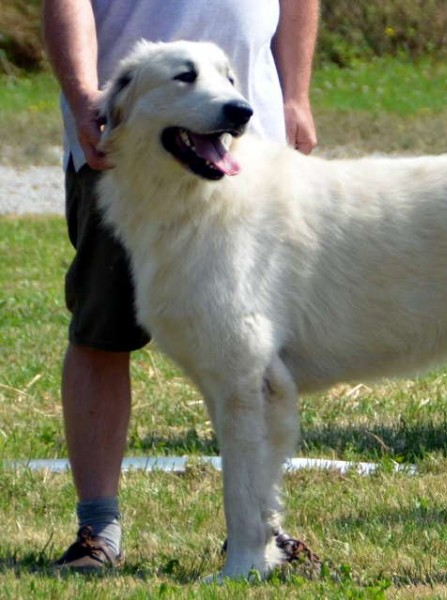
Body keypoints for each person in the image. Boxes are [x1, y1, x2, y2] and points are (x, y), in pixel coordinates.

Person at [41, 0, 318, 570]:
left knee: (256, 354)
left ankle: (261, 532)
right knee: (103, 330)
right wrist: (82, 95)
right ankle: (98, 529)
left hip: (249, 142)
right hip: (123, 142)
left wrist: (295, 94)